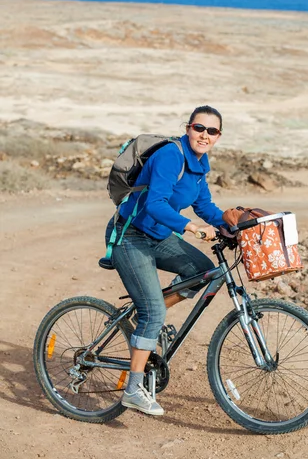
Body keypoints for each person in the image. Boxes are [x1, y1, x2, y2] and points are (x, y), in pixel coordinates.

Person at [105, 105, 226, 417]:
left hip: (157, 237)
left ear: (218, 137)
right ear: (188, 128)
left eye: (212, 131)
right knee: (154, 312)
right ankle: (133, 389)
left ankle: (147, 315)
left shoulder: (200, 164)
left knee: (203, 271)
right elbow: (156, 204)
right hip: (130, 235)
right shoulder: (172, 156)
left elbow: (205, 205)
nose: (205, 135)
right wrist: (191, 228)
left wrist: (232, 223)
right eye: (200, 128)